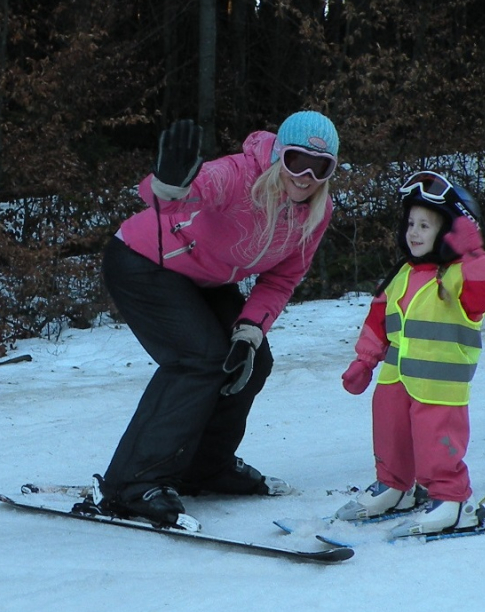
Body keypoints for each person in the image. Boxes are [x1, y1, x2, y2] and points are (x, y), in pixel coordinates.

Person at [96, 111, 340, 527]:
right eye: (297, 161)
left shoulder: (316, 211)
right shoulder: (238, 175)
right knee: (199, 359)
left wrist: (249, 331)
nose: (305, 176)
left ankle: (205, 467)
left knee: (250, 361)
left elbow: (283, 278)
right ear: (279, 155)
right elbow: (169, 201)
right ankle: (132, 485)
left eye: (320, 167)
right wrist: (170, 181)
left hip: (204, 279)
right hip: (143, 263)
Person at [336, 170, 485, 537]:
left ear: (450, 232)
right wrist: (365, 360)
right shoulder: (402, 275)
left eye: (425, 225)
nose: (413, 232)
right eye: (411, 223)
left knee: (435, 445)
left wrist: (474, 253)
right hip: (394, 379)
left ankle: (450, 501)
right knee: (389, 434)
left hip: (439, 387)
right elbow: (378, 319)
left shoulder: (460, 275)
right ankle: (394, 487)